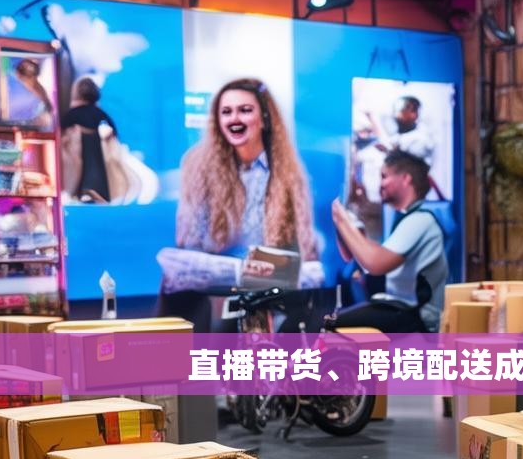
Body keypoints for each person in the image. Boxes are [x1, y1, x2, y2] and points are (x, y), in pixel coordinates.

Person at [161, 77, 322, 330]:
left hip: (272, 297)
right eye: (226, 112)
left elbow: (307, 263)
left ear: (264, 118)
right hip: (216, 295)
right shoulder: (197, 166)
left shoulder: (290, 173)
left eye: (245, 110)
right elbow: (190, 254)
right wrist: (259, 269)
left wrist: (259, 271)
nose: (234, 119)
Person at [329, 150, 447, 333]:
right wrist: (345, 224)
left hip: (415, 317)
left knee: (329, 323)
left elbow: (375, 263)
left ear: (406, 178)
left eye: (384, 177)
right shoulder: (407, 219)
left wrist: (341, 219)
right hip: (400, 308)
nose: (380, 184)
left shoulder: (421, 220)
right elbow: (353, 256)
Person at [61, 77, 118, 203]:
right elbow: (113, 129)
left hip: (80, 147)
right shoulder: (98, 112)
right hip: (94, 145)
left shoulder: (73, 113)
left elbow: (62, 129)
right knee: (95, 170)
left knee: (83, 171)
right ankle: (95, 192)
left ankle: (81, 192)